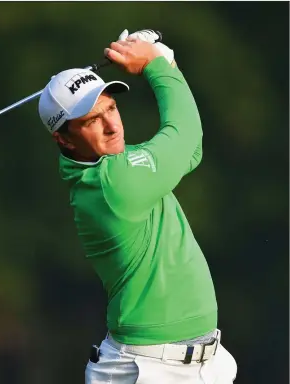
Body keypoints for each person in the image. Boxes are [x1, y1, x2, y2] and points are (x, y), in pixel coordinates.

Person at [38, 29, 237, 384]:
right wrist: (157, 64)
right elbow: (186, 135)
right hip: (147, 371)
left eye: (111, 108)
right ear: (63, 138)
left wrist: (165, 62)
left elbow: (189, 151)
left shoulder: (113, 164)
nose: (112, 125)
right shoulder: (114, 184)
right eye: (91, 120)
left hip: (204, 364)